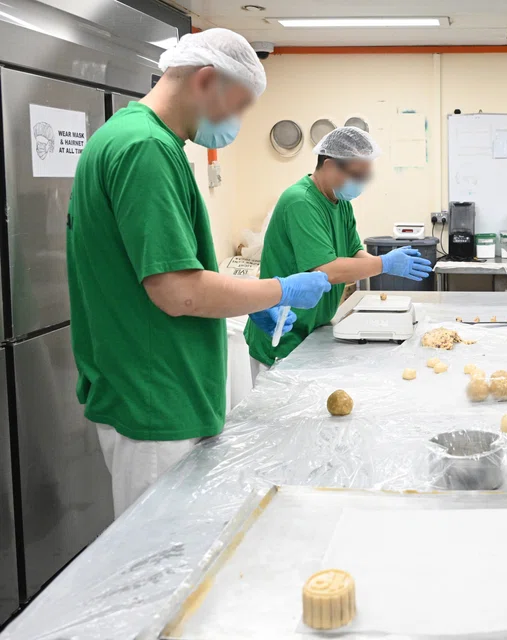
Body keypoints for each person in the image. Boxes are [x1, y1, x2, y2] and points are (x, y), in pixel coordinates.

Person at [67, 29, 333, 517]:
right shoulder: (144, 148)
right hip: (155, 399)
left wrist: (253, 303)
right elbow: (178, 292)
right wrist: (277, 289)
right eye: (238, 106)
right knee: (160, 568)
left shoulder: (139, 139)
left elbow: (175, 276)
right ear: (207, 80)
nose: (235, 122)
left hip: (164, 391)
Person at [245, 127, 433, 367]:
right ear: (330, 165)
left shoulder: (340, 202)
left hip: (314, 329)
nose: (361, 184)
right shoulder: (300, 202)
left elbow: (354, 252)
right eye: (357, 176)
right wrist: (384, 263)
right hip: (282, 334)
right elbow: (326, 270)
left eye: (365, 177)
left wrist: (386, 264)